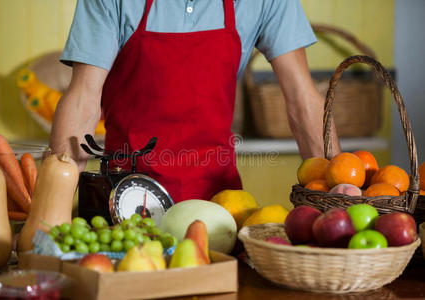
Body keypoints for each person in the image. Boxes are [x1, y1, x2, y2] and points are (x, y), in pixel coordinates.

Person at [50, 0, 340, 203]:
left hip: (220, 206)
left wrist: (337, 190)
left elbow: (303, 99)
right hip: (125, 200)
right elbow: (83, 99)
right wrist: (50, 209)